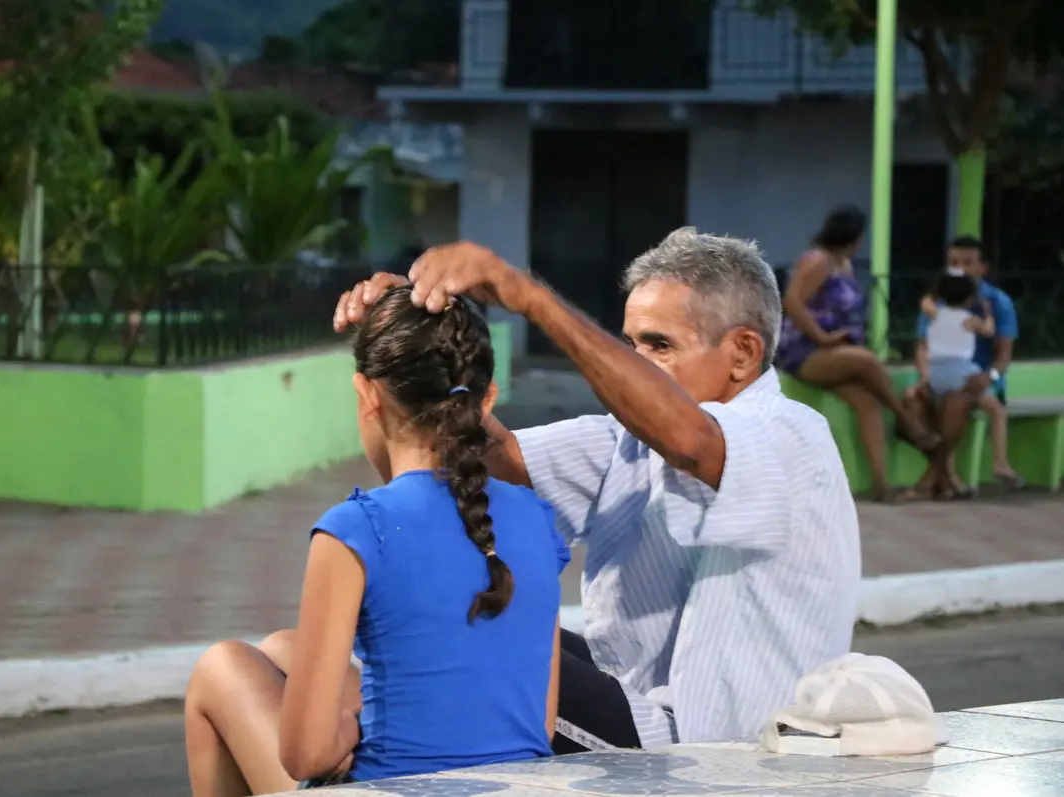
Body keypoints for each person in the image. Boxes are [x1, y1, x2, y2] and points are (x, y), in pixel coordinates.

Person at [334, 228, 860, 749]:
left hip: (715, 751)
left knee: (434, 656)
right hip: (636, 706)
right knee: (449, 618)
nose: (634, 362)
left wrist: (531, 299)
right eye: (630, 344)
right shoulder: (626, 440)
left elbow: (691, 441)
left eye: (659, 346)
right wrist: (400, 335)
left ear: (743, 353)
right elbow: (484, 462)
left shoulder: (790, 433)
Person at [185, 288, 569, 796]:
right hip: (516, 786)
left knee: (222, 667)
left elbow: (307, 755)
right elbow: (539, 725)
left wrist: (346, 726)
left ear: (367, 397)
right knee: (282, 647)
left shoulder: (358, 528)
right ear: (487, 400)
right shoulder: (538, 519)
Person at [775, 205, 940, 502]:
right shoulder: (818, 261)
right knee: (867, 362)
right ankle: (908, 422)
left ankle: (881, 484)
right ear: (853, 237)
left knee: (868, 403)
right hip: (804, 350)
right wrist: (822, 337)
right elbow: (793, 302)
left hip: (837, 351)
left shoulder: (845, 265)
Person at [907, 236, 1025, 497]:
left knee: (956, 403)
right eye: (953, 262)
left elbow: (1004, 355)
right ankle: (947, 476)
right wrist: (925, 376)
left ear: (983, 267)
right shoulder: (937, 303)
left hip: (981, 379)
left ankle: (937, 478)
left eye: (967, 262)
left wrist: (989, 377)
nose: (959, 268)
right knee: (917, 402)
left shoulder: (997, 301)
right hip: (943, 375)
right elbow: (923, 347)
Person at [922, 268, 994, 397]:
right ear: (970, 298)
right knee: (995, 405)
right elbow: (989, 331)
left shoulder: (935, 314)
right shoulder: (970, 320)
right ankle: (997, 416)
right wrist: (988, 313)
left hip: (935, 373)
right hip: (962, 372)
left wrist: (939, 286)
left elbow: (925, 302)